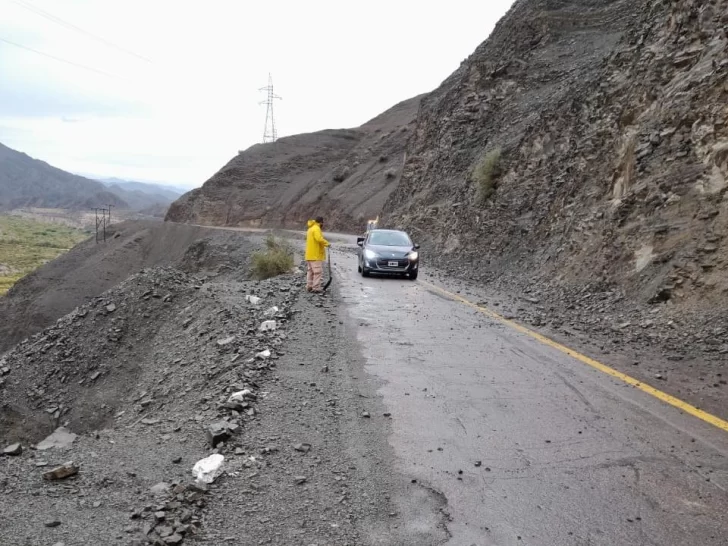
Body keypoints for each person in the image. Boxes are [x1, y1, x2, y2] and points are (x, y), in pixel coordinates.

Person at [305, 216, 330, 293]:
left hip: (309, 254)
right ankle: (316, 288)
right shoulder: (316, 228)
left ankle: (309, 286)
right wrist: (327, 243)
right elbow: (318, 238)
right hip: (315, 254)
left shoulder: (310, 228)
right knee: (317, 271)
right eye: (323, 223)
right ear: (321, 222)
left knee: (310, 271)